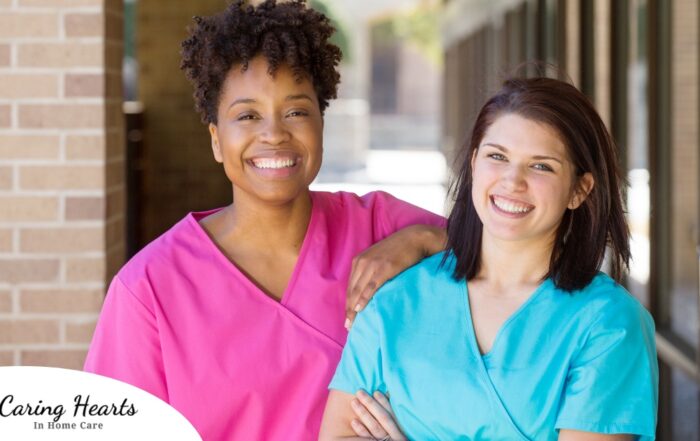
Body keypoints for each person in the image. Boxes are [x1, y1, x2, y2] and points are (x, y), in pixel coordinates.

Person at [83, 1, 445, 440]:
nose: (274, 133)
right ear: (216, 140)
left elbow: (523, 253)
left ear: (320, 124)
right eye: (247, 115)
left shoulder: (381, 228)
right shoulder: (150, 290)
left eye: (296, 111)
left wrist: (423, 240)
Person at [319, 77, 658, 441]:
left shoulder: (608, 323)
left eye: (541, 166)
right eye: (497, 156)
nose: (513, 181)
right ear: (474, 162)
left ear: (579, 190)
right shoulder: (394, 301)